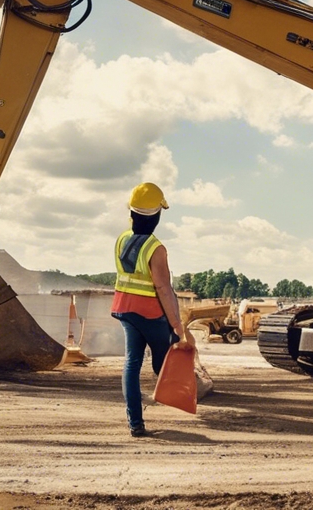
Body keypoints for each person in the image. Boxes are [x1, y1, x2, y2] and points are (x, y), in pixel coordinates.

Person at [110, 182, 193, 438]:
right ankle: (179, 394)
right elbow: (164, 289)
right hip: (150, 314)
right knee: (165, 358)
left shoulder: (122, 239)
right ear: (157, 216)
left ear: (132, 213)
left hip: (125, 309)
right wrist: (178, 327)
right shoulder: (156, 249)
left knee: (132, 363)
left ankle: (135, 423)